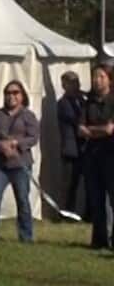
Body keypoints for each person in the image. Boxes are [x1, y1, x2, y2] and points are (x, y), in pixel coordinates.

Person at [0, 80, 38, 243]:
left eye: (15, 93)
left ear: (22, 96)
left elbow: (33, 137)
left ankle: (26, 236)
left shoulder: (28, 115)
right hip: (1, 165)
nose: (11, 96)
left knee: (23, 200)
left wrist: (16, 143)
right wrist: (0, 145)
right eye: (8, 93)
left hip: (21, 164)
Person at [80, 63, 114, 249]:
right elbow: (80, 128)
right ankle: (99, 239)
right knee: (96, 197)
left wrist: (92, 130)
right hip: (92, 155)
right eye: (95, 76)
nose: (97, 80)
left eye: (101, 76)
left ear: (109, 79)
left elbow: (110, 130)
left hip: (110, 154)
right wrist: (99, 130)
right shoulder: (89, 102)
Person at [56, 71, 86, 217]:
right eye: (71, 82)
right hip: (71, 149)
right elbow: (76, 120)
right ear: (64, 85)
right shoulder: (63, 103)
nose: (76, 85)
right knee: (70, 185)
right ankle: (66, 214)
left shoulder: (83, 100)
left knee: (89, 184)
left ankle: (89, 214)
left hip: (85, 148)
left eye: (77, 81)